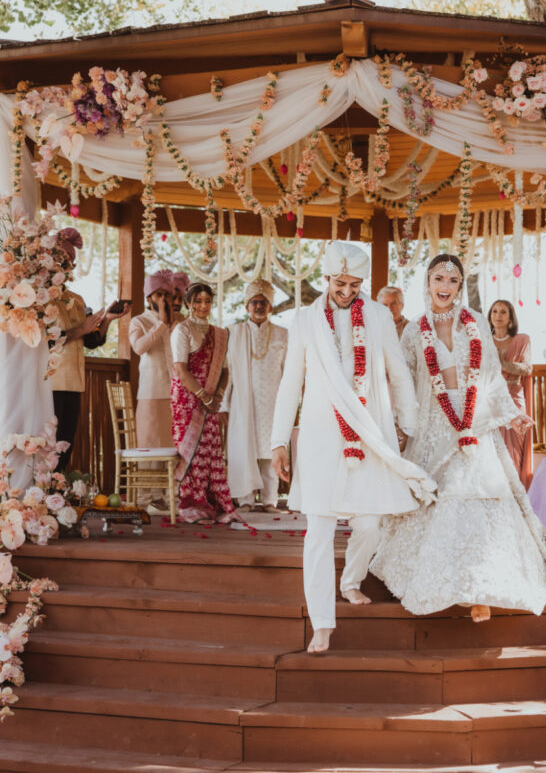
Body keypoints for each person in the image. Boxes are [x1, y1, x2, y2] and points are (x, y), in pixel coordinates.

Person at [370, 253, 546, 622]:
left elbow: (490, 373)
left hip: (473, 421)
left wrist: (512, 413)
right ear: (427, 283)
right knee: (436, 497)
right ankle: (441, 582)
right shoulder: (413, 331)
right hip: (433, 421)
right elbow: (404, 382)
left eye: (453, 280)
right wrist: (397, 425)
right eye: (438, 279)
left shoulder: (475, 322)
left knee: (475, 494)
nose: (445, 287)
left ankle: (480, 589)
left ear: (460, 286)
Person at [271, 241, 435, 654]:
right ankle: (322, 623)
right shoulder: (305, 320)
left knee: (368, 523)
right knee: (319, 532)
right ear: (326, 278)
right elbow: (291, 382)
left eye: (355, 284)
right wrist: (278, 441)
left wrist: (406, 426)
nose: (347, 291)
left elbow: (398, 374)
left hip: (370, 429)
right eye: (340, 283)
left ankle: (350, 580)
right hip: (320, 434)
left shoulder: (379, 315)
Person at [51, 228, 130, 470]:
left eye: (71, 261)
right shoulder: (40, 297)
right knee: (48, 443)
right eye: (63, 258)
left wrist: (107, 319)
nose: (68, 265)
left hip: (74, 382)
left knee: (66, 442)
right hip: (48, 382)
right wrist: (81, 330)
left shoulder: (77, 299)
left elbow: (92, 341)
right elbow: (45, 342)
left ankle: (58, 490)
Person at [170, 281, 234, 523]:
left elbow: (225, 371)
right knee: (193, 451)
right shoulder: (182, 330)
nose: (203, 305)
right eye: (197, 301)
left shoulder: (219, 334)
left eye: (207, 300)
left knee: (210, 450)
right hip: (188, 398)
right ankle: (190, 503)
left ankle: (210, 502)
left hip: (210, 400)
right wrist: (204, 396)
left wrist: (217, 396)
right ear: (188, 303)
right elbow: (180, 368)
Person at [225, 279, 288, 513]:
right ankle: (245, 500)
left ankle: (270, 500)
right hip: (243, 402)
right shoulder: (235, 333)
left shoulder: (283, 334)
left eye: (264, 302)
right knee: (244, 449)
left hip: (274, 402)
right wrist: (224, 406)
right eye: (254, 302)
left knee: (270, 449)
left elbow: (289, 372)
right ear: (246, 306)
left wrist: (292, 407)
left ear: (271, 307)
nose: (259, 306)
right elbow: (228, 372)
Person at [489, 299, 533, 488]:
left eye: (503, 312)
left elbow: (527, 368)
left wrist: (503, 365)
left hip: (514, 396)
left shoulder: (521, 340)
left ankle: (515, 492)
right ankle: (493, 491)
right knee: (491, 445)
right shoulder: (483, 340)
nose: (498, 315)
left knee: (514, 445)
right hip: (490, 399)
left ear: (510, 318)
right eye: (495, 311)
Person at [129, 270, 175, 449]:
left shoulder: (178, 323)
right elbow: (139, 348)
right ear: (149, 298)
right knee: (151, 445)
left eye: (167, 295)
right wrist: (162, 324)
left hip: (177, 393)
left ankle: (175, 479)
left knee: (176, 447)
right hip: (152, 393)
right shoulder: (138, 321)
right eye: (158, 295)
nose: (163, 299)